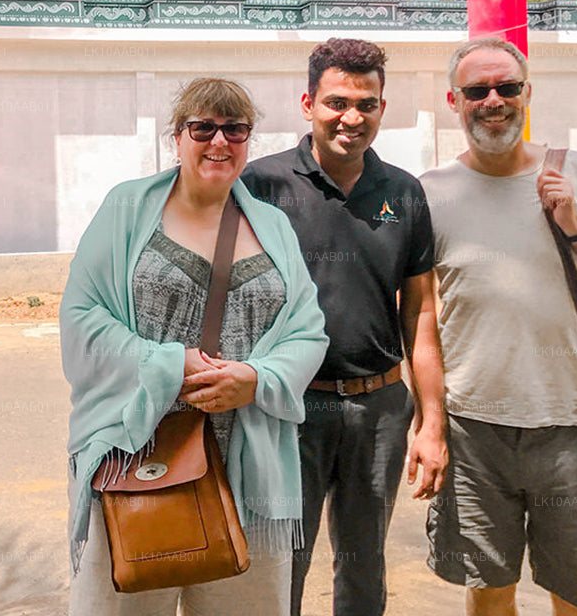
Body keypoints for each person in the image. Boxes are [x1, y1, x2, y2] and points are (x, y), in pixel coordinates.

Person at [63, 78, 330, 616]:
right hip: (138, 460)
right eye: (203, 127)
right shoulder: (127, 210)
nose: (219, 142)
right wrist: (165, 365)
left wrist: (254, 380)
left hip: (250, 471)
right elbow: (82, 318)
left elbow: (309, 330)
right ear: (177, 137)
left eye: (236, 129)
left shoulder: (272, 226)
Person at [420, 37, 577, 616]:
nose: (493, 101)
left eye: (507, 88)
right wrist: (430, 422)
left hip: (570, 423)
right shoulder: (431, 192)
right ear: (455, 100)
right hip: (475, 430)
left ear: (527, 94)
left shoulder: (572, 172)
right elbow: (420, 318)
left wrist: (576, 226)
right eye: (478, 91)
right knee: (488, 589)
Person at [242, 38, 447, 616]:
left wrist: (431, 422)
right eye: (337, 102)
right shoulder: (263, 186)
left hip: (379, 409)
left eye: (367, 104)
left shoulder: (404, 193)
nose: (351, 118)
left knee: (363, 567)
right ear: (307, 103)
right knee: (281, 565)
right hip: (287, 409)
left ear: (383, 106)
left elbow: (421, 313)